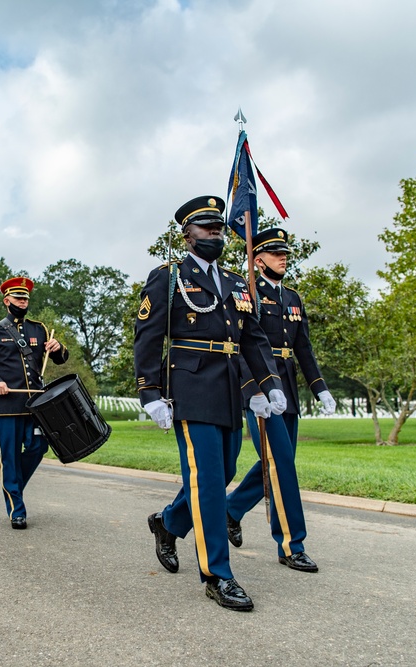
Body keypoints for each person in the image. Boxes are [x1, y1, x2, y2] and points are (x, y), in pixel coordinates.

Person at [133, 195, 287, 612]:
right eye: (206, 228)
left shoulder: (238, 282)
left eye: (218, 228)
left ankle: (167, 524)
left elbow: (252, 338)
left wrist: (269, 383)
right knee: (207, 481)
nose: (215, 233)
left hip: (230, 389)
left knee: (223, 474)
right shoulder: (168, 278)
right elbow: (147, 337)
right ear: (187, 235)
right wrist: (149, 392)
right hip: (189, 388)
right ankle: (218, 575)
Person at [225, 227, 336, 573]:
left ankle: (231, 510)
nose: (283, 257)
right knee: (281, 464)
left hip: (287, 389)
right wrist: (252, 390)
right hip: (261, 389)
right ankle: (292, 544)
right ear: (257, 260)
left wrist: (320, 388)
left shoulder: (293, 298)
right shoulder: (248, 295)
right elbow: (241, 347)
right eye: (275, 253)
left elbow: (303, 348)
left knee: (277, 463)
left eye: (285, 253)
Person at [0, 277, 68, 529]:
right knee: (10, 459)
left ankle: (12, 487)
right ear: (7, 301)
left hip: (36, 405)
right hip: (7, 407)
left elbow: (59, 358)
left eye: (25, 298)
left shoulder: (39, 329)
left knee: (39, 447)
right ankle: (17, 510)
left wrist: (57, 348)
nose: (23, 302)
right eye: (18, 298)